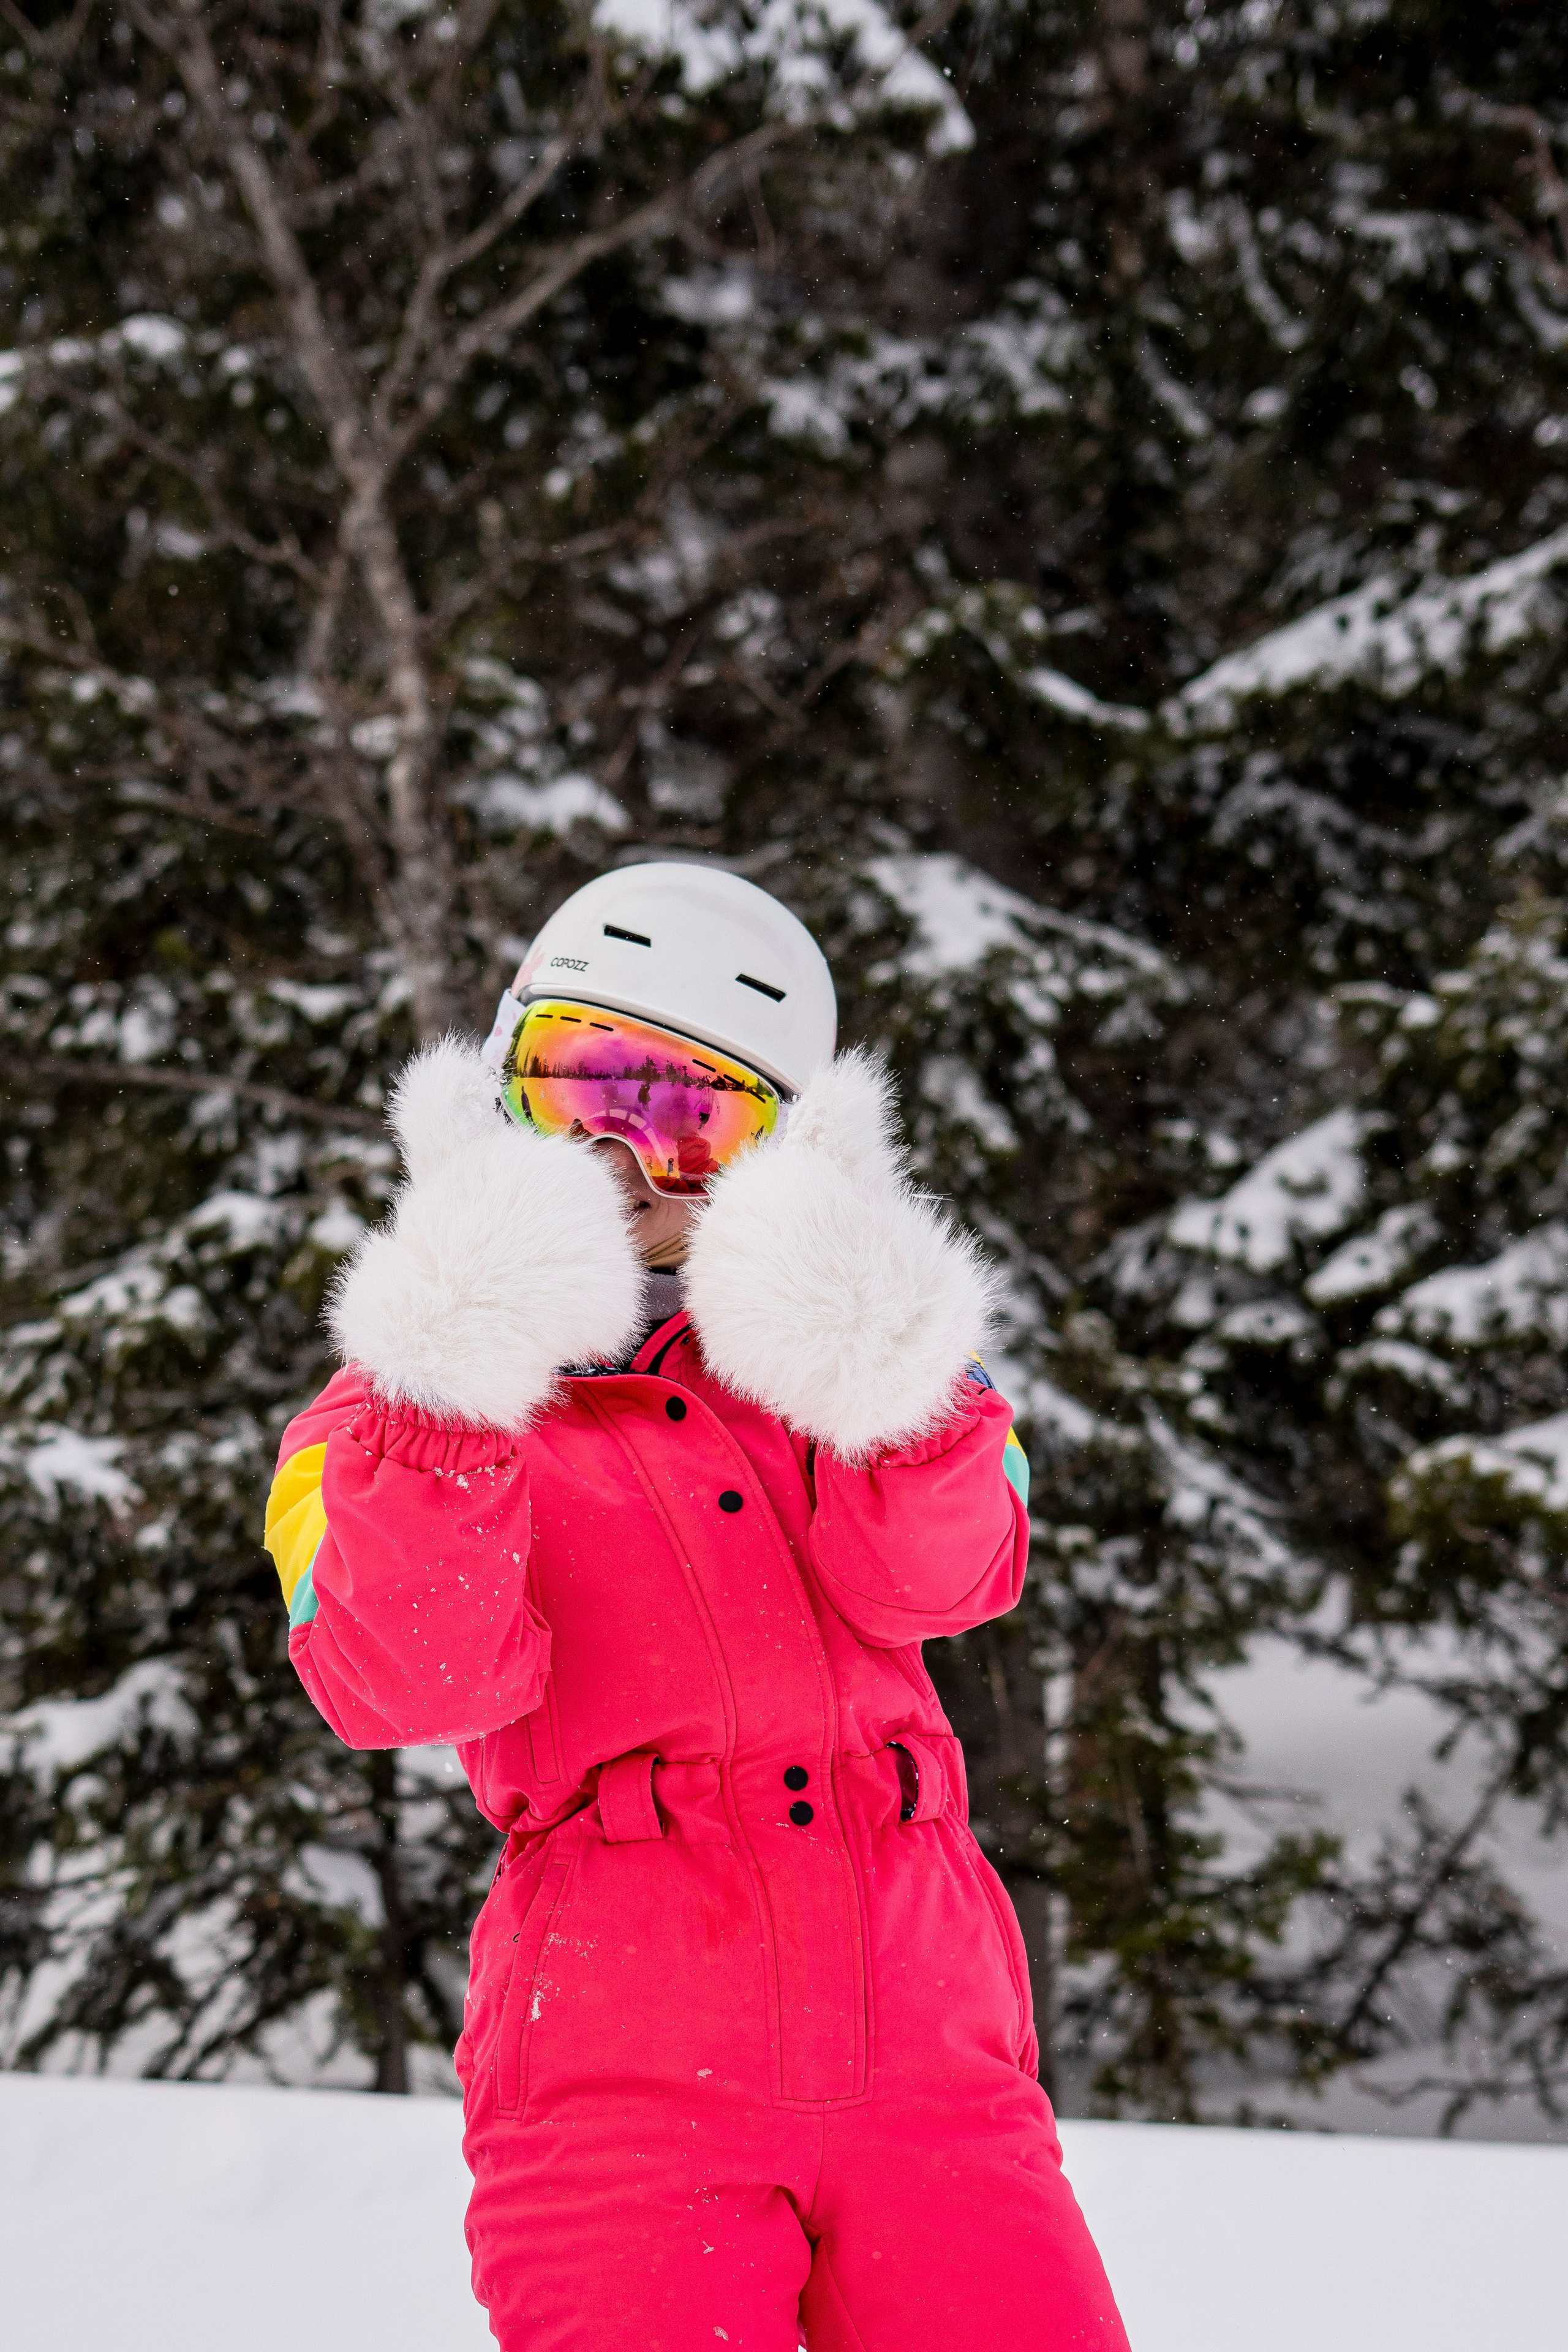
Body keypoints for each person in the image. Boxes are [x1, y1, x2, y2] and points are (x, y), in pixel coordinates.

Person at [263, 863, 1129, 2352]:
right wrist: (451, 1387)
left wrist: (879, 1351)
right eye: (573, 1084)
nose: (614, 1154)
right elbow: (402, 1682)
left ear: (769, 1153)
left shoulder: (843, 1358)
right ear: (503, 1082)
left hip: (928, 2048)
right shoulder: (385, 1414)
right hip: (619, 2065)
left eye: (684, 1115)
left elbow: (948, 1578)